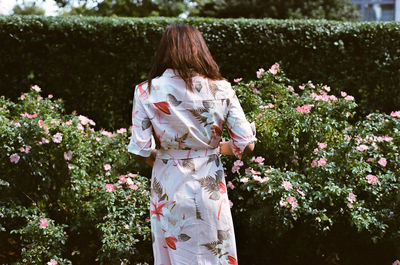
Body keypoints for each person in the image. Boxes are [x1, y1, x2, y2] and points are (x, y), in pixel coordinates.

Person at [127, 23, 256, 265]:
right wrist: (212, 148)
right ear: (200, 50)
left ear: (164, 51)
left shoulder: (146, 91)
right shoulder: (222, 89)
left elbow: (140, 148)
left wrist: (165, 157)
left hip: (168, 188)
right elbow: (245, 146)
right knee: (213, 256)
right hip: (208, 188)